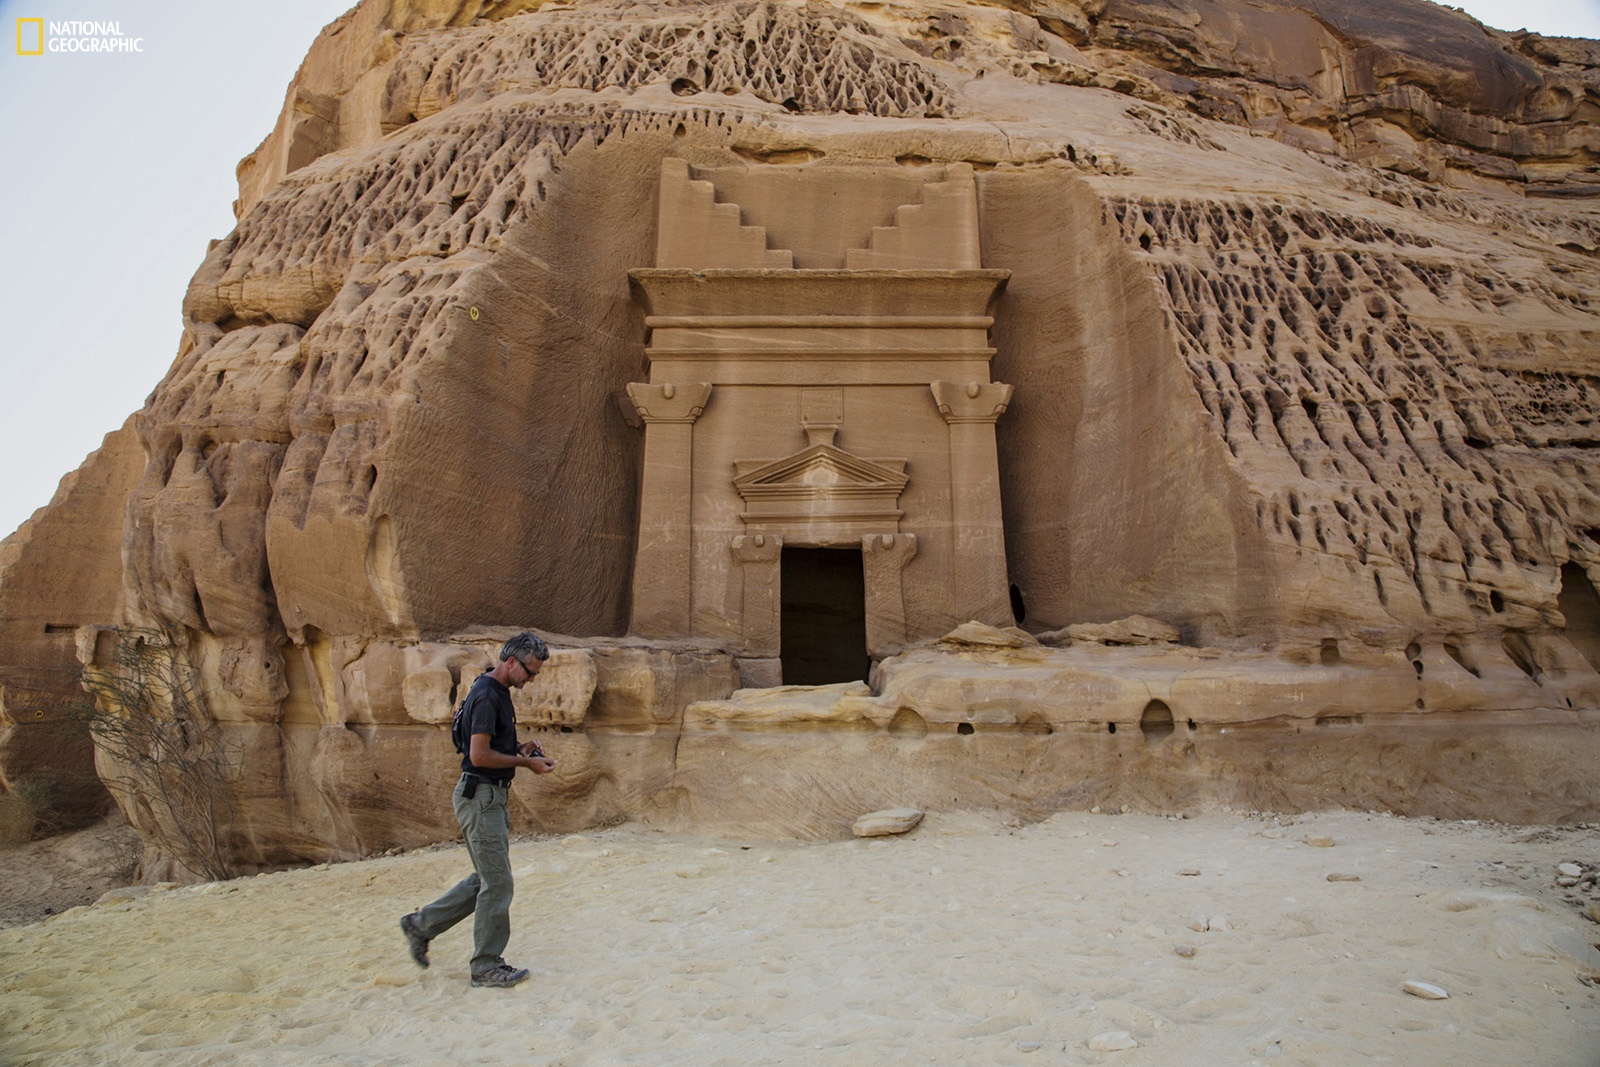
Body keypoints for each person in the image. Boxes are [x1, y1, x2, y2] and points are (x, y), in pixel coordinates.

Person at [400, 632, 557, 988]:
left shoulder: (494, 689)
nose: (532, 679)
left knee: (485, 879)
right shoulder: (487, 695)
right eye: (530, 672)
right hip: (481, 797)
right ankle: (485, 965)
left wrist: (521, 746)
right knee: (498, 884)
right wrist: (525, 762)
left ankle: (420, 926)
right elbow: (478, 755)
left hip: (487, 796)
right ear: (512, 661)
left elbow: (488, 743)